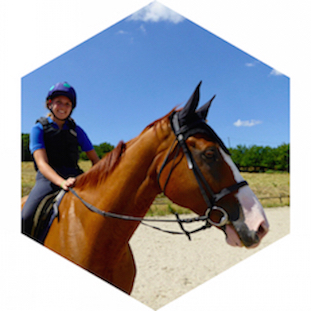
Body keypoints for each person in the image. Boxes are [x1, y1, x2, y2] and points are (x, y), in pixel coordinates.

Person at [22, 82, 100, 239]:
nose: (63, 107)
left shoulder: (77, 130)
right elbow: (42, 164)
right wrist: (61, 182)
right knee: (25, 218)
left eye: (67, 104)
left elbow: (96, 161)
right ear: (50, 104)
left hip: (75, 175)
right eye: (58, 102)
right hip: (48, 179)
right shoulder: (38, 129)